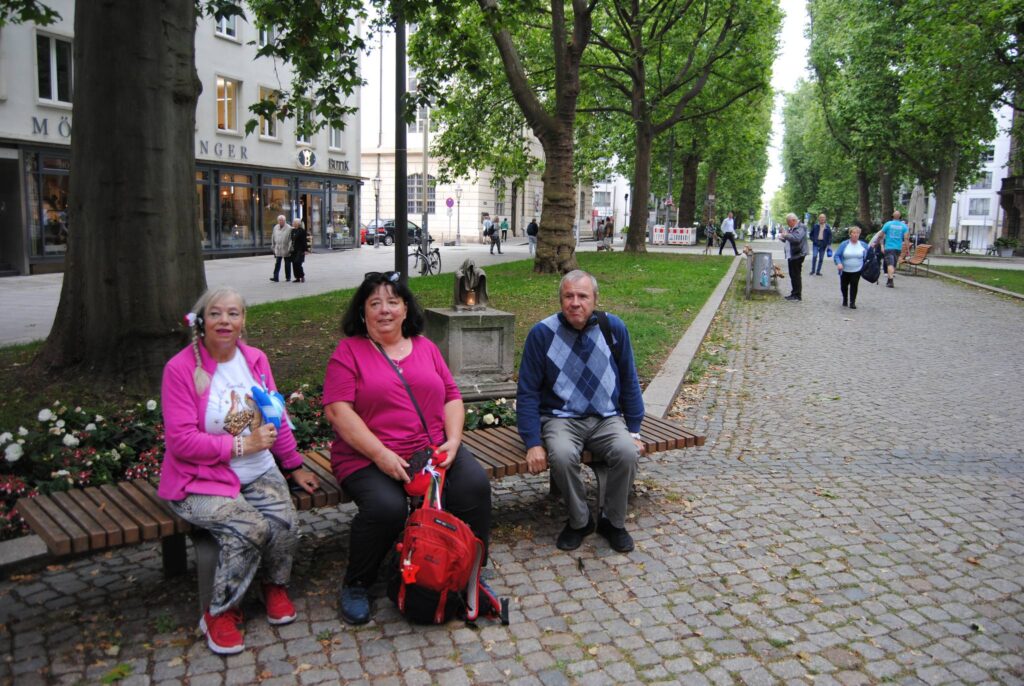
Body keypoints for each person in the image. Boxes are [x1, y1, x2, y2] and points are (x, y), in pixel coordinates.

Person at [323, 271, 492, 625]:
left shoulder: (426, 347)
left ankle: (467, 566)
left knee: (473, 484)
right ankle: (357, 583)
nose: (384, 310)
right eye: (375, 303)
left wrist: (455, 440)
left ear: (404, 309)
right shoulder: (348, 352)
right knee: (386, 508)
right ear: (362, 312)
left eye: (393, 301)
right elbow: (338, 411)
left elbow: (451, 396)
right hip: (367, 456)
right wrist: (381, 455)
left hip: (430, 450)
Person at [158, 287, 320, 655]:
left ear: (243, 321)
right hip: (200, 480)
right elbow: (182, 442)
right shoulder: (181, 369)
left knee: (284, 522)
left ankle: (274, 586)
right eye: (215, 314)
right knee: (250, 528)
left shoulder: (256, 359)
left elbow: (274, 415)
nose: (225, 321)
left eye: (233, 314)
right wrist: (240, 446)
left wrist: (293, 465)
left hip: (259, 470)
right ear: (201, 321)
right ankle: (220, 612)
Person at [516, 270, 645, 553]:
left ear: (595, 299)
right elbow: (527, 392)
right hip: (561, 419)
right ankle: (580, 521)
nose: (575, 302)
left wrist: (634, 429)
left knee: (627, 452)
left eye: (583, 296)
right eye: (568, 296)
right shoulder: (542, 334)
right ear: (560, 300)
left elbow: (629, 379)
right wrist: (532, 442)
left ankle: (612, 521)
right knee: (561, 456)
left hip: (606, 419)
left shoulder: (613, 329)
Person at [871, 210, 909, 288]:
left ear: (892, 216)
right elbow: (906, 238)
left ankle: (890, 280)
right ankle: (889, 279)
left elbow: (881, 235)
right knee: (893, 264)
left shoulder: (888, 224)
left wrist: (876, 243)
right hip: (898, 248)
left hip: (889, 247)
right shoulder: (904, 226)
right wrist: (908, 249)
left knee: (890, 264)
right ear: (900, 217)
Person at [833, 226, 868, 309]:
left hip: (857, 269)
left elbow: (869, 254)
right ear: (850, 234)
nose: (855, 235)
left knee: (854, 285)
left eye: (857, 233)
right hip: (845, 269)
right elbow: (837, 256)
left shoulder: (863, 245)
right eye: (854, 233)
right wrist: (839, 263)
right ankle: (845, 299)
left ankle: (852, 302)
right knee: (844, 286)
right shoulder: (844, 244)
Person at [778, 213, 808, 301]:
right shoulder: (792, 228)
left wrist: (785, 235)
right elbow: (790, 239)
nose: (787, 224)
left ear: (794, 220)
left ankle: (797, 295)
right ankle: (794, 293)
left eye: (788, 222)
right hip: (792, 254)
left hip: (798, 254)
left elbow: (796, 239)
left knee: (796, 275)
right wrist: (783, 238)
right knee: (792, 274)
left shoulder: (801, 227)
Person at [270, 215, 293, 283]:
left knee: (287, 263)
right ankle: (275, 277)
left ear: (285, 221)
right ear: (278, 221)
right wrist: (273, 245)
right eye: (279, 220)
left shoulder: (289, 228)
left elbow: (290, 239)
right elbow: (273, 236)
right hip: (278, 248)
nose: (281, 221)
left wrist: (290, 248)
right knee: (277, 263)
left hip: (286, 248)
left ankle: (288, 277)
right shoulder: (275, 227)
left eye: (282, 220)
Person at [290, 219, 308, 283]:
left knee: (298, 263)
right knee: (294, 264)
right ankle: (297, 278)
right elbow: (292, 239)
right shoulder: (293, 230)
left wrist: (306, 250)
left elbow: (304, 241)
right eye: (293, 222)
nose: (293, 223)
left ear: (298, 223)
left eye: (294, 222)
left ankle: (302, 276)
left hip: (300, 249)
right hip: (293, 250)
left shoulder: (302, 231)